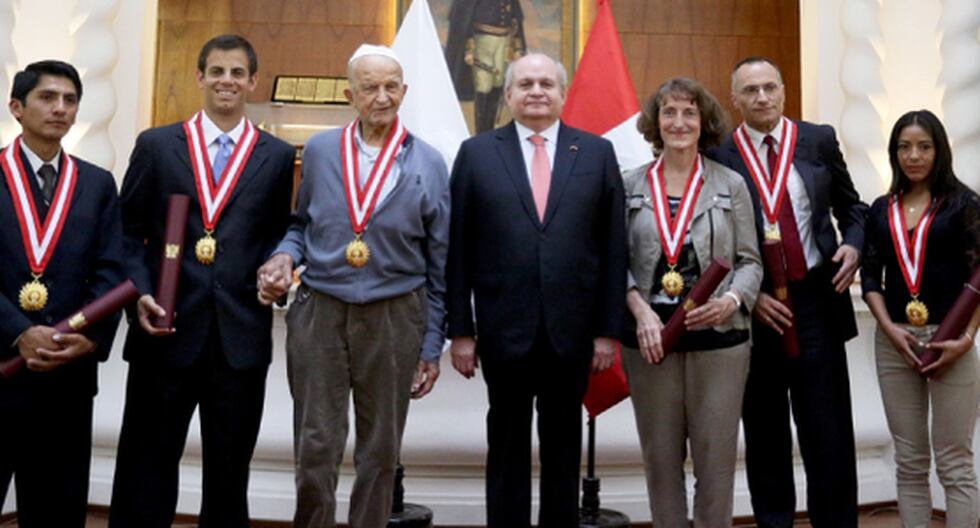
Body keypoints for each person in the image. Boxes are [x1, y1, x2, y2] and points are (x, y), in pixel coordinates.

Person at [256, 44, 449, 528]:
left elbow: (440, 262)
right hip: (320, 310)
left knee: (380, 449)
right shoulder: (321, 151)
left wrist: (431, 344)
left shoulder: (429, 162)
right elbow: (301, 225)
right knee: (315, 444)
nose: (382, 97)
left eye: (391, 87)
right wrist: (283, 256)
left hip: (395, 315)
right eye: (370, 87)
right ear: (350, 95)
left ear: (404, 91)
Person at [109, 35, 296, 527]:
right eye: (216, 71)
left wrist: (278, 267)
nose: (226, 81)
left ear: (253, 82)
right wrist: (139, 293)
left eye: (237, 73)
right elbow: (125, 233)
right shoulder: (157, 145)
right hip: (163, 332)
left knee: (229, 477)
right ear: (199, 77)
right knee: (145, 469)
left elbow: (279, 232)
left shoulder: (277, 156)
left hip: (239, 339)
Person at [446, 52, 627, 528]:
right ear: (508, 94)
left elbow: (613, 248)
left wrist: (607, 331)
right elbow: (457, 248)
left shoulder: (596, 153)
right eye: (525, 84)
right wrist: (461, 330)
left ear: (563, 94)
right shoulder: (477, 153)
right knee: (506, 447)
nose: (536, 92)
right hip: (503, 332)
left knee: (564, 449)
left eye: (546, 83)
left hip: (573, 335)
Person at [707, 56, 868, 527]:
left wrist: (854, 245)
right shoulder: (718, 154)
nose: (762, 98)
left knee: (828, 433)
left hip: (816, 301)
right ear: (734, 100)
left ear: (782, 90)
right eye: (750, 90)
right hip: (755, 309)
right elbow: (712, 240)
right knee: (765, 433)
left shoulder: (818, 140)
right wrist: (747, 295)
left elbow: (852, 208)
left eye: (769, 87)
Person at [622, 77, 762, 527]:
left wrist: (733, 299)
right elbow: (613, 263)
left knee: (715, 465)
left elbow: (750, 261)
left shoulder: (731, 184)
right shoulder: (628, 185)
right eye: (669, 112)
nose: (679, 122)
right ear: (655, 122)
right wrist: (640, 310)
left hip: (720, 341)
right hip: (651, 343)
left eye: (689, 113)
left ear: (704, 123)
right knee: (661, 463)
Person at [0, 60, 126, 527]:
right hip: (2, 365)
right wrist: (19, 331)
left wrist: (89, 339)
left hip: (67, 377)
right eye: (47, 97)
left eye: (70, 100)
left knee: (57, 510)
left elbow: (112, 270)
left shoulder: (96, 183)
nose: (60, 108)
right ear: (17, 107)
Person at [861, 109, 980, 528]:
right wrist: (889, 328)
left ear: (940, 150)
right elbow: (870, 277)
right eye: (904, 147)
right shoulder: (882, 209)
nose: (913, 156)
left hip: (951, 342)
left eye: (924, 147)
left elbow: (979, 277)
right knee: (909, 461)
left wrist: (967, 337)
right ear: (894, 153)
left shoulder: (964, 205)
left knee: (954, 462)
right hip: (896, 343)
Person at [445, 0, 526, 132]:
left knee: (497, 83)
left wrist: (518, 47)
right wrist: (469, 49)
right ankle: (482, 131)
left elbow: (515, 18)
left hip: (503, 41)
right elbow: (465, 18)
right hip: (482, 41)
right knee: (483, 85)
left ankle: (490, 128)